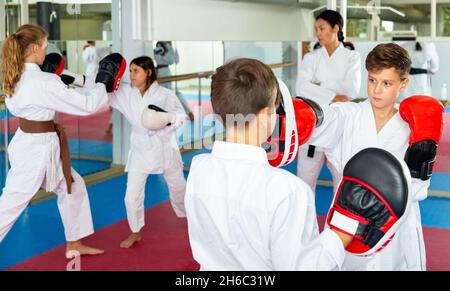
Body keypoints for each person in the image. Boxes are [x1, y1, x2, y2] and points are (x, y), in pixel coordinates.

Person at [184, 58, 355, 271]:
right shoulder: (288, 190)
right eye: (276, 109)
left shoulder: (199, 170)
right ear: (266, 115)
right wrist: (343, 231)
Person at [300, 43, 444, 270]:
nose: (377, 90)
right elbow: (324, 119)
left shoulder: (412, 126)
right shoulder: (348, 115)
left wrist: (423, 148)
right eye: (372, 80)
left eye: (387, 83)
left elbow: (418, 189)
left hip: (396, 225)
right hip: (349, 222)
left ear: (403, 83)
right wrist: (301, 116)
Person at [0, 24, 125, 258]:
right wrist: (102, 82)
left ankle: (74, 243)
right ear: (35, 48)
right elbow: (86, 105)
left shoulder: (15, 74)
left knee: (72, 187)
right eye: (45, 47)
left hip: (33, 143)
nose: (46, 53)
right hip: (37, 149)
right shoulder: (44, 82)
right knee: (11, 203)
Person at [106, 56, 187, 248]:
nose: (131, 75)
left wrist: (163, 120)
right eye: (130, 71)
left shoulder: (165, 94)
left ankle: (191, 218)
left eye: (136, 71)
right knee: (131, 195)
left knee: (178, 188)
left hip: (164, 147)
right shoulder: (126, 93)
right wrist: (76, 80)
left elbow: (181, 116)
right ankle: (135, 232)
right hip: (140, 150)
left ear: (148, 72)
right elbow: (103, 92)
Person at [295, 9, 361, 194]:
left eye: (322, 28)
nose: (318, 33)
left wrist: (319, 85)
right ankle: (304, 223)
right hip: (314, 123)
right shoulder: (311, 58)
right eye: (316, 29)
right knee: (304, 182)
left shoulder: (351, 57)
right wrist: (333, 95)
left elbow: (352, 90)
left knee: (341, 180)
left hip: (340, 125)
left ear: (336, 28)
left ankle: (337, 223)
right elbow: (301, 88)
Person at [154, 41, 194, 121]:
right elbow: (171, 60)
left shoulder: (169, 47)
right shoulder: (159, 48)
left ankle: (188, 112)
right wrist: (168, 48)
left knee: (170, 94)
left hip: (165, 72)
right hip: (160, 72)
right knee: (162, 94)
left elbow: (174, 61)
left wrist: (169, 48)